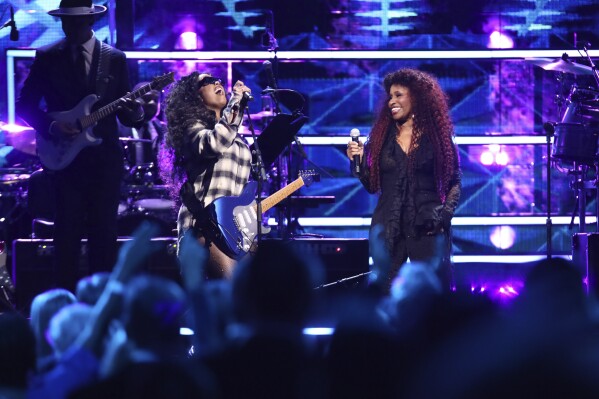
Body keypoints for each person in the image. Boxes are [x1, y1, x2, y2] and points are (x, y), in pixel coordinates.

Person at [16, 0, 145, 291]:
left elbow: (127, 112)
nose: (67, 27)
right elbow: (24, 105)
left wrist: (139, 109)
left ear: (88, 22)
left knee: (104, 237)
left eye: (73, 22)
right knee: (66, 238)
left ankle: (104, 306)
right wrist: (51, 126)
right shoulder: (47, 56)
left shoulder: (114, 58)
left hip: (104, 162)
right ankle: (64, 308)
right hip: (64, 162)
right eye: (64, 21)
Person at [346, 68, 461, 290]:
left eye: (398, 95)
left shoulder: (438, 138)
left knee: (433, 292)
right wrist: (357, 162)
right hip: (388, 225)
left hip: (428, 224)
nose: (392, 101)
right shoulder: (381, 139)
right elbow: (372, 186)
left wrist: (444, 218)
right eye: (390, 96)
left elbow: (455, 181)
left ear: (416, 97)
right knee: (385, 291)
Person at [161, 72, 252, 279]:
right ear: (194, 97)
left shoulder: (238, 139)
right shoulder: (192, 129)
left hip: (234, 233)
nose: (217, 82)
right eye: (207, 81)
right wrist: (237, 101)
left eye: (218, 79)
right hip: (204, 229)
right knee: (234, 295)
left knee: (251, 300)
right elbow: (214, 143)